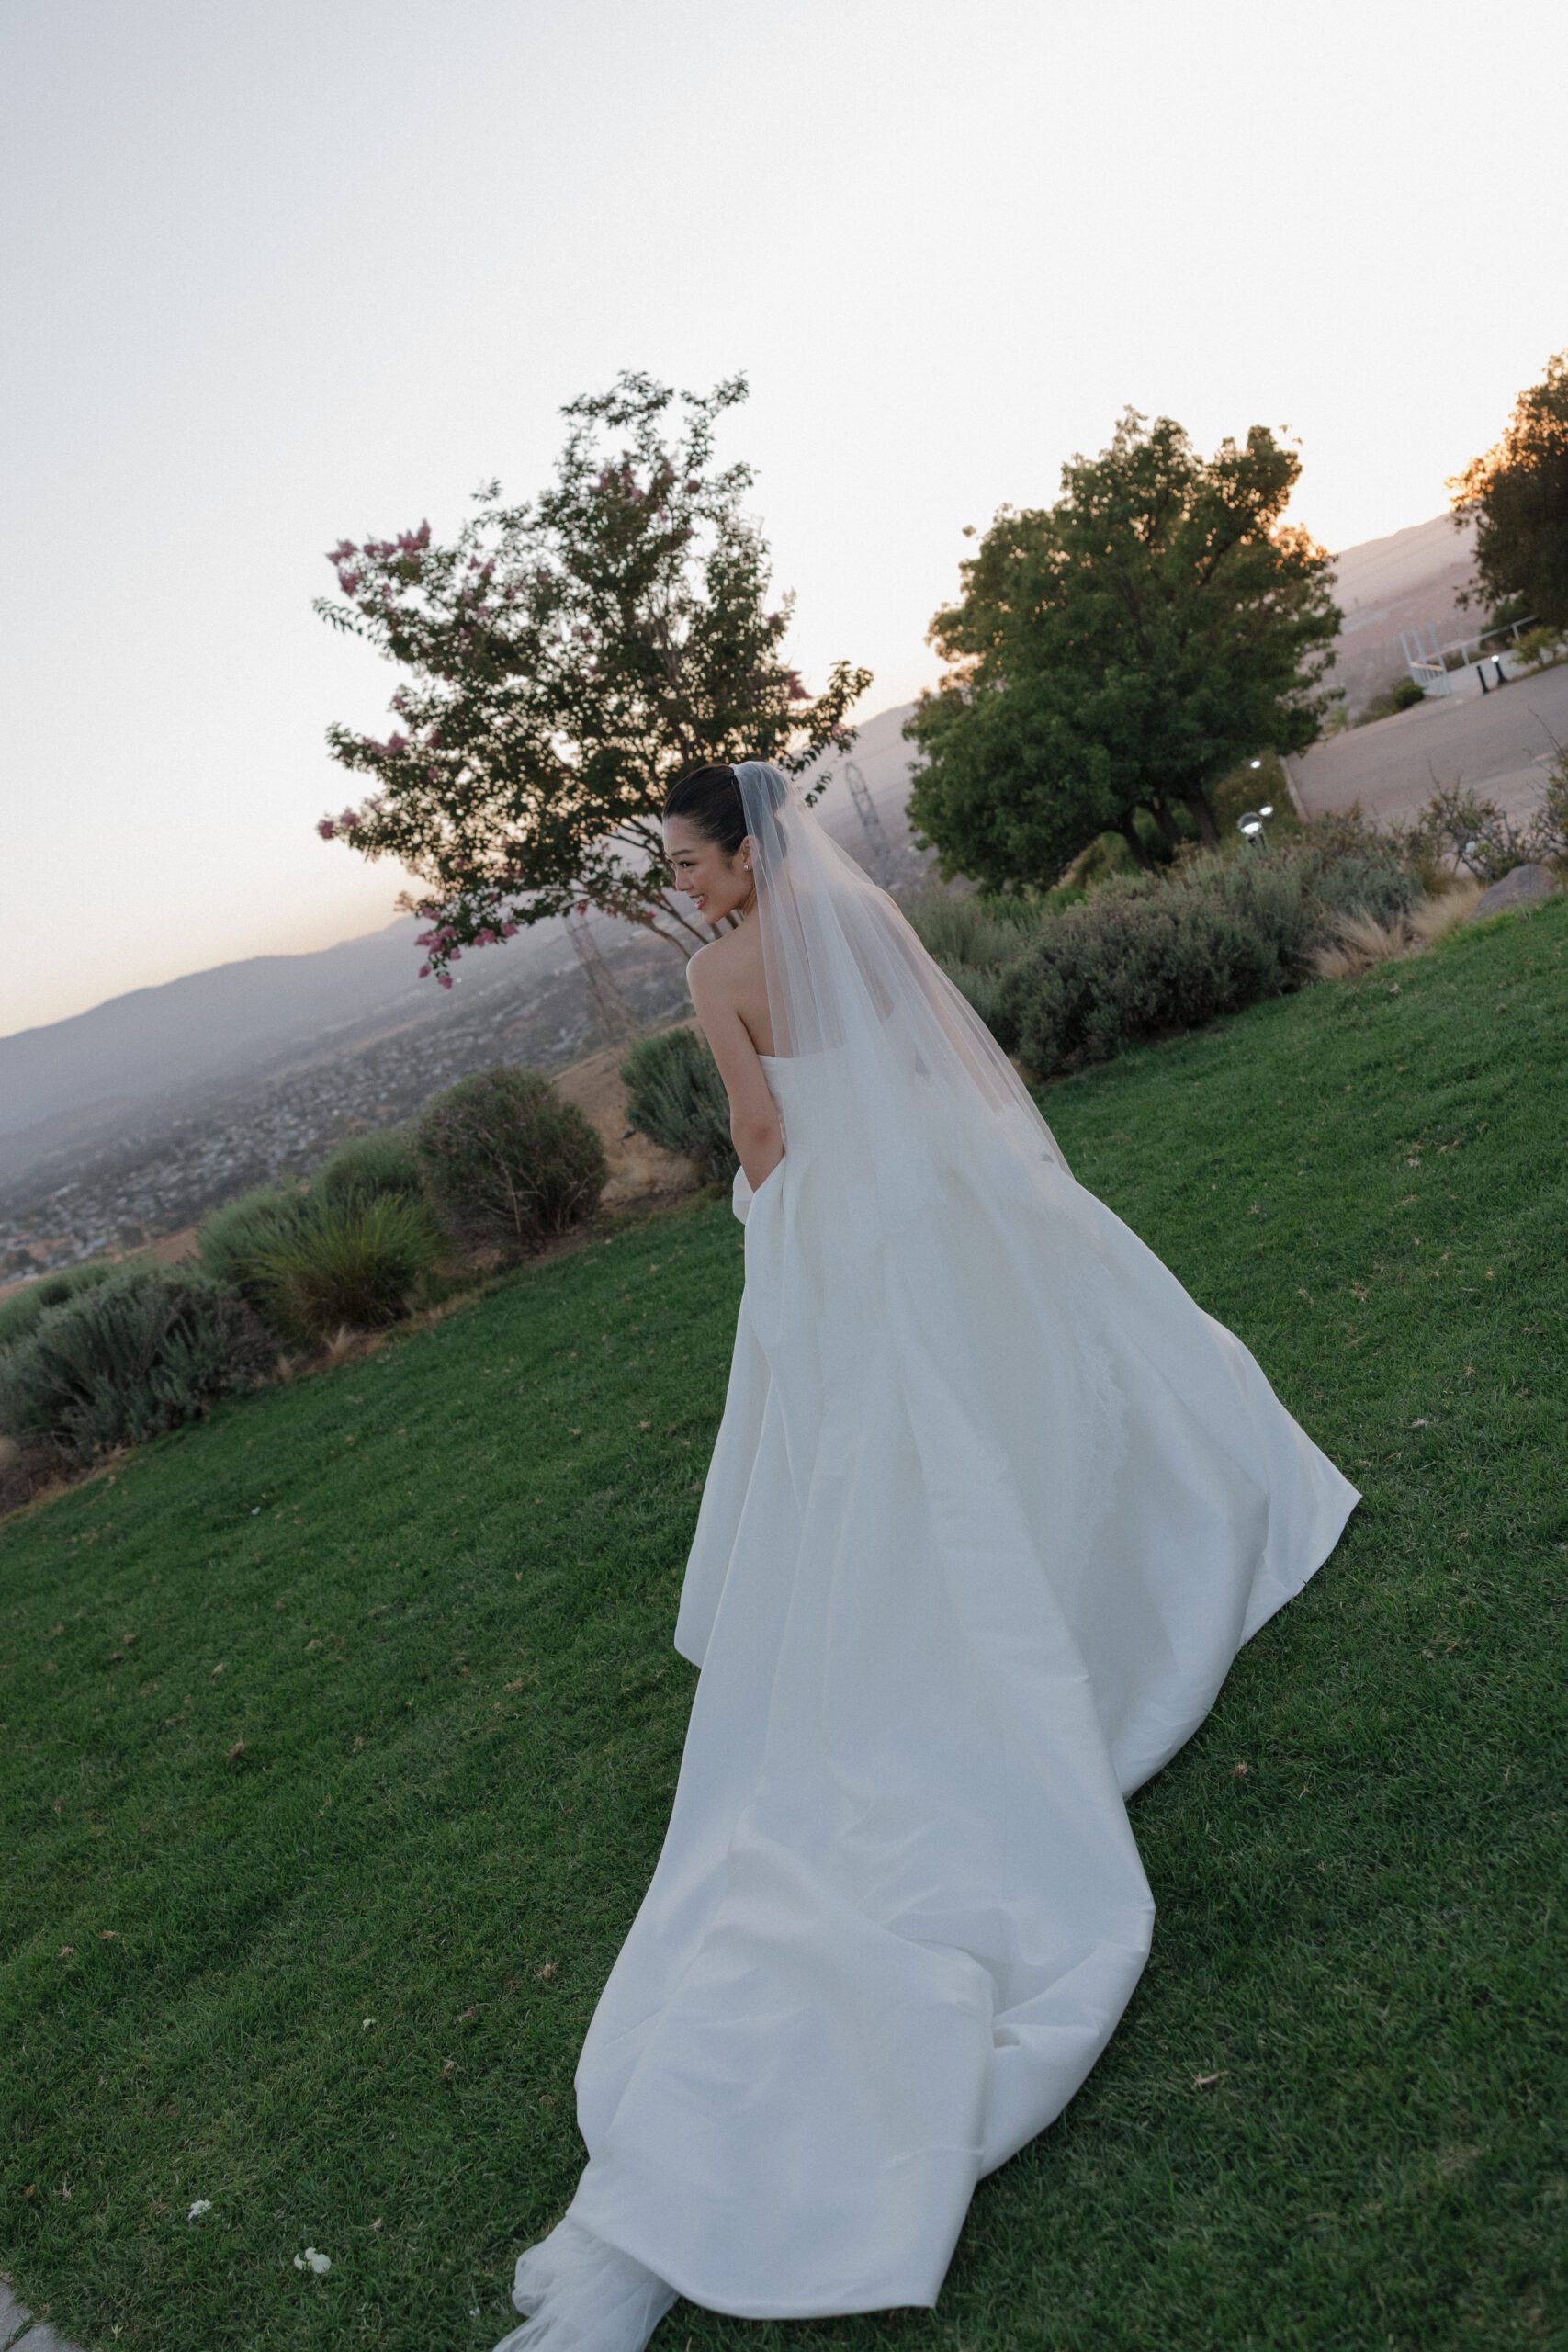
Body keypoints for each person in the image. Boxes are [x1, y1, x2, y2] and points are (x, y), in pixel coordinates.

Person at [493, 759, 1361, 2350]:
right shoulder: (869, 925)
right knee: (1018, 1404)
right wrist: (1001, 1174)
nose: (683, 888)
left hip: (839, 1227)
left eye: (690, 862)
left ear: (744, 852)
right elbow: (953, 1060)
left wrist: (771, 1225)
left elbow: (760, 1133)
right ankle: (1083, 1580)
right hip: (937, 1200)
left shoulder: (718, 976)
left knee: (874, 1462)